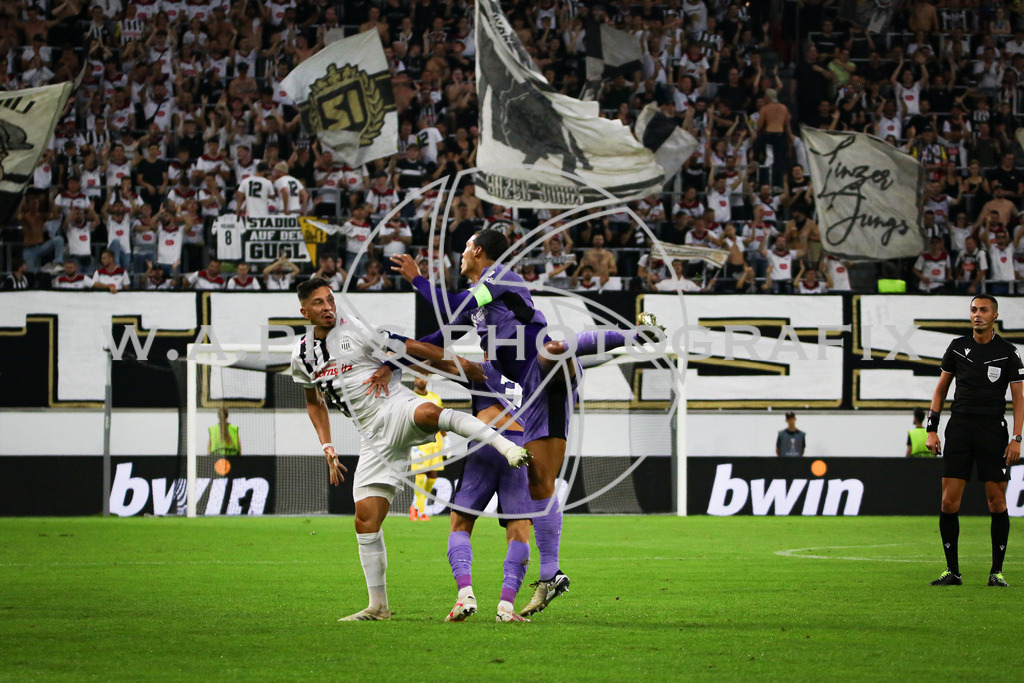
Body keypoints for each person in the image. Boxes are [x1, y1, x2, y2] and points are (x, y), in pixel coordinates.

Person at [289, 277, 530, 621]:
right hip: (371, 436)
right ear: (305, 312)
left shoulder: (354, 328)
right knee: (365, 520)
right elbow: (314, 401)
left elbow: (409, 346)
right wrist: (327, 444)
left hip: (394, 405)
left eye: (330, 299)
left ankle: (507, 447)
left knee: (431, 413)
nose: (328, 307)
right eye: (319, 303)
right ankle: (378, 607)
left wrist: (457, 365)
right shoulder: (301, 356)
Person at [924, 294, 1023, 587]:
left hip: (993, 431)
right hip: (960, 430)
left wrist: (1017, 438)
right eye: (973, 310)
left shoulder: (1008, 352)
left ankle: (997, 572)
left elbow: (1019, 399)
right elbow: (941, 390)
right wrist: (931, 428)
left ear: (994, 316)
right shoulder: (957, 347)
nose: (977, 314)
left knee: (997, 502)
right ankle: (952, 571)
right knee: (948, 502)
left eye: (983, 310)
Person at [409, 376, 445, 521]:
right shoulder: (410, 397)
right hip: (419, 444)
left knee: (432, 475)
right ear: (414, 379)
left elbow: (441, 419)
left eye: (424, 376)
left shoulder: (435, 398)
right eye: (418, 376)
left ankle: (416, 506)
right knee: (420, 474)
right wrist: (411, 446)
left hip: (436, 443)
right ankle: (422, 511)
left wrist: (446, 439)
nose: (421, 380)